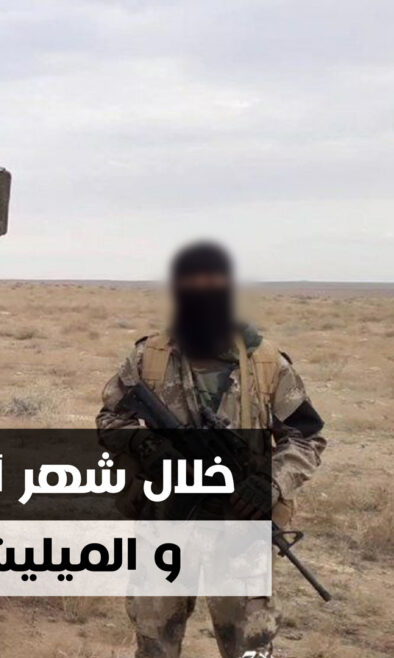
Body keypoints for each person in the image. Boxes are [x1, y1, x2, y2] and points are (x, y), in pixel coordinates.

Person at [96, 241, 327, 658]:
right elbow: (111, 419)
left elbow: (306, 436)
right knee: (155, 644)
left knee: (250, 646)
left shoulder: (267, 363)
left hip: (240, 531)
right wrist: (149, 448)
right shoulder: (149, 358)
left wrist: (270, 483)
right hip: (165, 523)